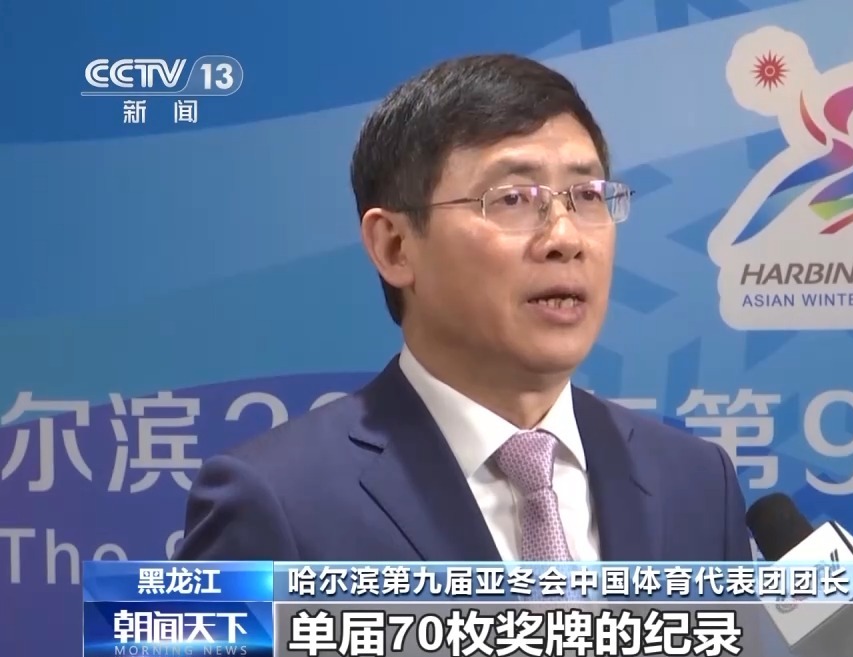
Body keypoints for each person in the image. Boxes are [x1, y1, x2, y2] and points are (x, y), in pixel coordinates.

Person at [176, 53, 754, 563]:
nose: (565, 237)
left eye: (586, 196)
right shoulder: (277, 500)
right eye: (513, 198)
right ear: (395, 247)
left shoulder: (697, 483)